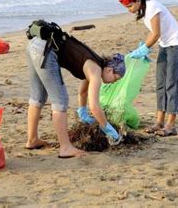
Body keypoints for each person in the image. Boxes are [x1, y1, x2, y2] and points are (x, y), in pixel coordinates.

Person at [26, 22, 126, 158]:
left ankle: (32, 140)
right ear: (109, 69)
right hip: (46, 51)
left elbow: (83, 92)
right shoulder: (96, 71)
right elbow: (95, 107)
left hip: (36, 44)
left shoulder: (95, 63)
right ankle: (65, 148)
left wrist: (82, 111)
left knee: (38, 97)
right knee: (60, 101)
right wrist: (106, 127)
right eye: (115, 78)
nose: (114, 82)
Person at [119, 0, 178, 137]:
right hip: (165, 45)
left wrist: (143, 49)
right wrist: (144, 47)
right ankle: (159, 122)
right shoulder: (144, 11)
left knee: (171, 83)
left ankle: (170, 124)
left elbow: (156, 33)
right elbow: (154, 32)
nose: (129, 10)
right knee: (160, 84)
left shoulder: (152, 7)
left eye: (130, 6)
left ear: (138, 1)